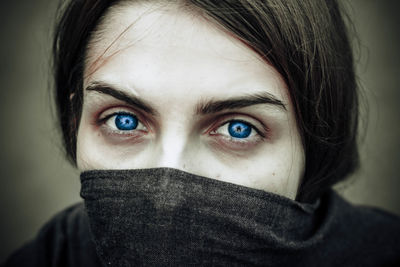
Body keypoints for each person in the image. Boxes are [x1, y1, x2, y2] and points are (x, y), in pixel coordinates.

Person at [3, 0, 400, 266]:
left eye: (238, 128)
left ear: (311, 144)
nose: (166, 194)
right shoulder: (54, 255)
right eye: (124, 120)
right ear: (76, 122)